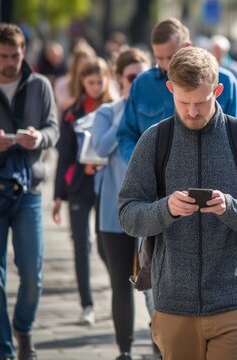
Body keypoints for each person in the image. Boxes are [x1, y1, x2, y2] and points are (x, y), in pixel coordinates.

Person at [118, 46, 237, 360]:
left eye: (201, 102)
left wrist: (230, 208)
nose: (192, 111)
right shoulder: (154, 140)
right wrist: (165, 209)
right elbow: (128, 214)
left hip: (235, 303)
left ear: (218, 91)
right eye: (183, 102)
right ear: (170, 89)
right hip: (172, 307)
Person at [0, 23, 59, 360]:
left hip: (30, 191)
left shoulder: (39, 86)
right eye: (5, 56)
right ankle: (2, 352)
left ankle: (23, 325)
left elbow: (54, 129)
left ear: (24, 52)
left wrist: (39, 138)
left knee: (33, 275)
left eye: (17, 55)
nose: (11, 62)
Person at [117, 17, 237, 164]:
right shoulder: (142, 84)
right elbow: (126, 135)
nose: (165, 65)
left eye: (171, 57)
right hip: (154, 181)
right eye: (159, 58)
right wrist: (143, 166)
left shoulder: (226, 81)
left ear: (187, 46)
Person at [91, 48, 150, 360]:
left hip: (151, 212)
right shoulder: (108, 112)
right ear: (119, 79)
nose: (138, 82)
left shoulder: (152, 110)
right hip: (114, 217)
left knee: (156, 281)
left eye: (143, 76)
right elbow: (99, 147)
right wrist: (125, 114)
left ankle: (159, 346)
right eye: (131, 78)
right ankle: (125, 350)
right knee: (120, 284)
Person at [52, 57, 115, 326]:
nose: (96, 86)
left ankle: (118, 293)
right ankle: (86, 304)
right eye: (90, 82)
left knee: (105, 244)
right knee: (80, 245)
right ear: (82, 82)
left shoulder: (114, 110)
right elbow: (64, 155)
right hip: (78, 186)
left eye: (100, 81)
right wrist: (58, 195)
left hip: (108, 185)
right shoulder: (71, 112)